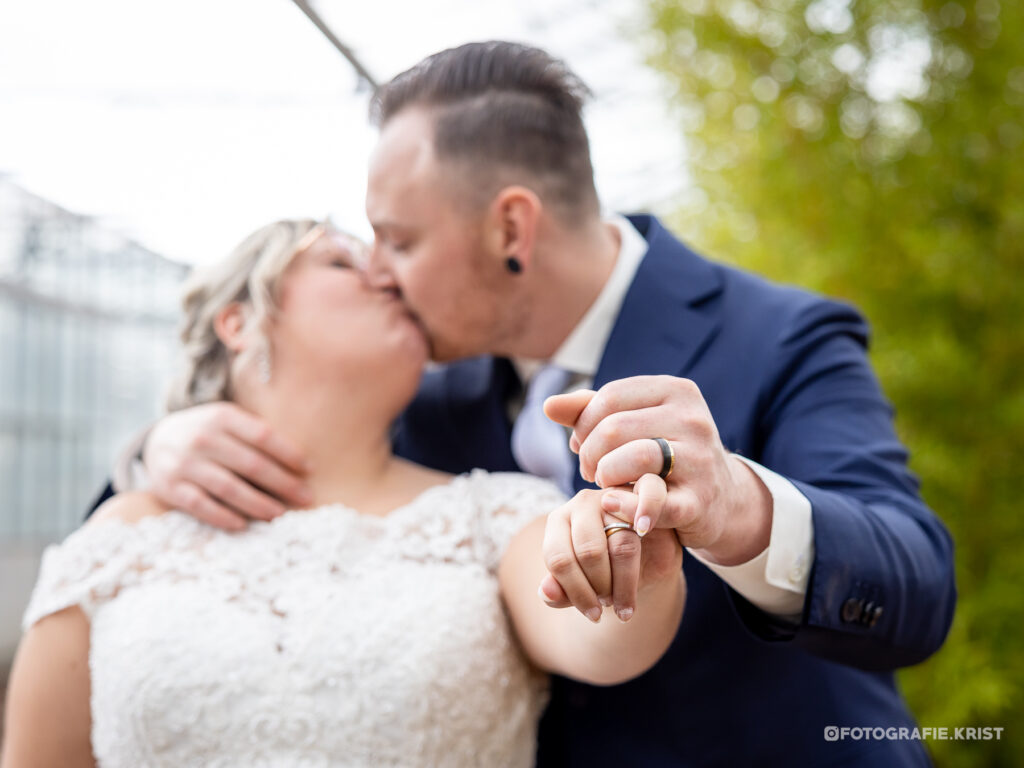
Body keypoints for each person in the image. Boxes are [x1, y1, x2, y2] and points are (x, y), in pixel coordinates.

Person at [90, 42, 954, 765]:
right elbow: (138, 546)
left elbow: (916, 585)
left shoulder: (780, 335)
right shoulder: (420, 390)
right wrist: (160, 443)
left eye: (398, 240)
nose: (378, 272)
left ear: (511, 229)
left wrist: (737, 506)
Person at [1, 220, 686, 767]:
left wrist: (637, 559)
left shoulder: (496, 515)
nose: (385, 274)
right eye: (339, 260)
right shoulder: (119, 539)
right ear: (238, 321)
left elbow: (602, 639)